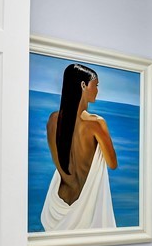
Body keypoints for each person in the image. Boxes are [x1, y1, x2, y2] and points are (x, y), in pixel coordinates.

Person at [41, 63, 118, 231]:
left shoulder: (53, 120)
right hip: (84, 207)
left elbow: (61, 161)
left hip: (58, 203)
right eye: (95, 85)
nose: (97, 90)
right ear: (83, 85)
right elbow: (112, 164)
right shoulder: (95, 124)